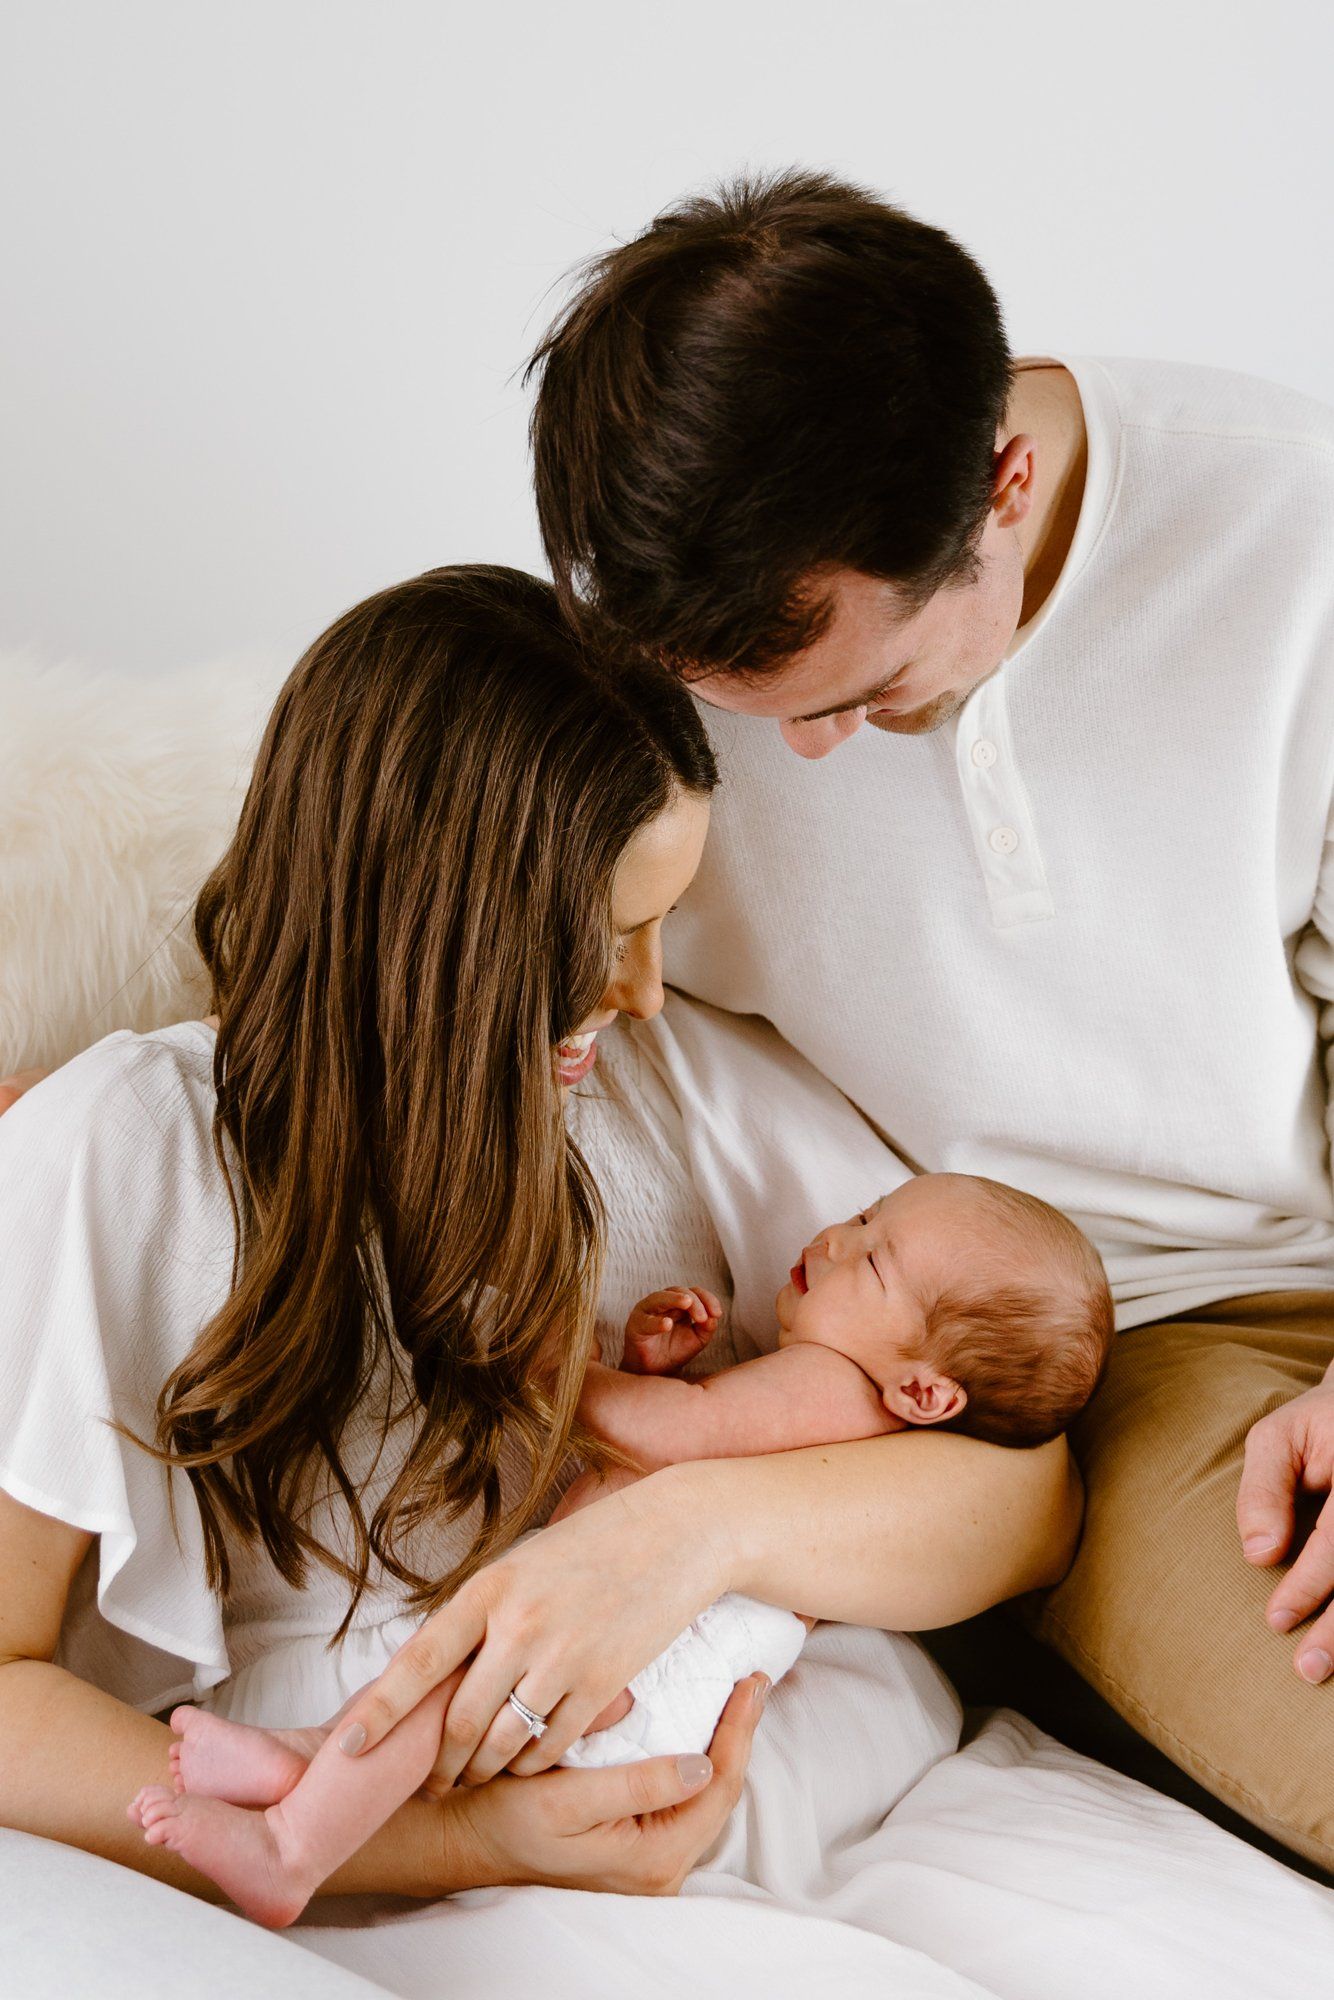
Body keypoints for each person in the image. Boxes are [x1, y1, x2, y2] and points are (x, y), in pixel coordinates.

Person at [0, 563, 1078, 1913]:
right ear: (441, 933)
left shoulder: (660, 1084)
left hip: (714, 1773)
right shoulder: (124, 1148)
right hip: (364, 1808)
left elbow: (1025, 1500)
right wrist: (463, 1845)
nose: (643, 991)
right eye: (608, 935)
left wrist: (680, 1535)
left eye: (663, 925)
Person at [511, 165, 1334, 1872]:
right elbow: (369, 891)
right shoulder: (672, 659)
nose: (795, 759)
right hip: (1125, 1349)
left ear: (1004, 488)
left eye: (869, 695)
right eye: (756, 714)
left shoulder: (1292, 534)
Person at [580, 1175, 1115, 1464]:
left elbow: (663, 1433)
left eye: (875, 1262)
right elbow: (695, 1443)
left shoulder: (832, 1384)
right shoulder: (845, 1412)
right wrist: (650, 1377)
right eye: (866, 1215)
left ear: (922, 1392)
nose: (836, 1237)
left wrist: (560, 1366)